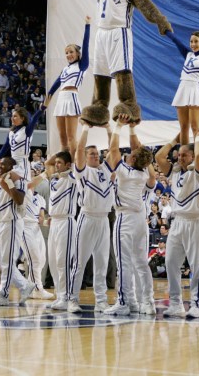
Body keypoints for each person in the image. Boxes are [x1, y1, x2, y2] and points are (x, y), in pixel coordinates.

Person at [104, 118, 157, 316]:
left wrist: (118, 126)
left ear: (134, 160)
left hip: (125, 219)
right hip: (140, 221)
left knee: (124, 262)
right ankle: (147, 302)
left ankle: (124, 302)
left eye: (132, 154)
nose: (129, 153)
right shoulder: (145, 175)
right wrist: (133, 129)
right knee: (141, 263)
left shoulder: (126, 172)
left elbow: (114, 150)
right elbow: (142, 157)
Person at [155, 132, 199, 319]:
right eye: (179, 154)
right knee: (170, 262)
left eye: (184, 154)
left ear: (193, 156)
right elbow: (159, 157)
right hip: (178, 221)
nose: (180, 157)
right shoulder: (175, 171)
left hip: (196, 220)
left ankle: (196, 304)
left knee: (197, 265)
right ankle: (176, 303)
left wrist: (198, 140)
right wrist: (174, 140)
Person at [66, 124, 115, 313]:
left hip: (104, 219)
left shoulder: (105, 169)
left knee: (102, 262)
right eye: (92, 153)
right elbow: (78, 149)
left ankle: (101, 300)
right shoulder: (82, 171)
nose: (96, 156)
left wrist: (109, 128)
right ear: (85, 157)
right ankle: (72, 299)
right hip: (86, 218)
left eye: (97, 153)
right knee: (79, 262)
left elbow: (113, 149)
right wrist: (85, 128)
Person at [0, 157, 35, 306]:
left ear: (12, 167)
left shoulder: (18, 181)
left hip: (12, 223)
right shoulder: (1, 183)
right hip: (0, 223)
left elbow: (19, 200)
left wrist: (8, 182)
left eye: (3, 165)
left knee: (7, 260)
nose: (0, 167)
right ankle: (25, 285)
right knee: (0, 260)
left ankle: (3, 294)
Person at [43, 17, 91, 152]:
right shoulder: (65, 69)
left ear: (77, 54)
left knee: (71, 137)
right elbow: (54, 86)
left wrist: (87, 26)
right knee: (62, 138)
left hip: (71, 98)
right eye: (66, 53)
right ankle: (65, 165)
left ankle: (75, 166)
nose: (69, 54)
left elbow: (85, 45)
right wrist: (46, 101)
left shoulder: (82, 65)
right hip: (61, 100)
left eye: (71, 52)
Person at [44, 150, 78, 310]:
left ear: (68, 165)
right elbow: (47, 164)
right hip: (54, 222)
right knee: (52, 261)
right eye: (56, 162)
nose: (56, 164)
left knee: (63, 261)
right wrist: (58, 152)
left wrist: (67, 148)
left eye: (60, 162)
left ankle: (67, 296)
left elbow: (76, 161)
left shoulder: (72, 177)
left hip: (67, 221)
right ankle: (60, 295)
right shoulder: (54, 179)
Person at [0, 107, 44, 182]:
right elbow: (2, 150)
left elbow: (34, 119)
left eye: (15, 116)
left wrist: (42, 109)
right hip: (12, 165)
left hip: (22, 166)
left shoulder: (26, 130)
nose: (12, 118)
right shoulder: (11, 133)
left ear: (22, 118)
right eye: (12, 116)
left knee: (7, 182)